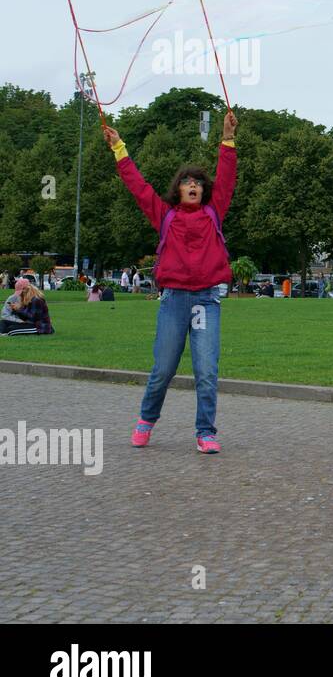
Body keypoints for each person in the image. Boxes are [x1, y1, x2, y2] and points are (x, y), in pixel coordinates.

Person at [104, 110, 238, 454]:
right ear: (177, 191)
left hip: (206, 300)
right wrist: (119, 148)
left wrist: (227, 137)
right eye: (186, 182)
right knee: (163, 369)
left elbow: (227, 177)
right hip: (174, 301)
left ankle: (206, 432)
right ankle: (146, 420)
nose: (193, 185)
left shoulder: (214, 211)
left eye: (197, 183)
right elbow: (137, 184)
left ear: (203, 190)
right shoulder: (164, 215)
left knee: (206, 372)